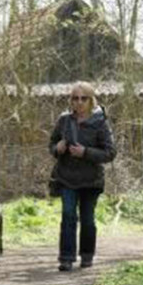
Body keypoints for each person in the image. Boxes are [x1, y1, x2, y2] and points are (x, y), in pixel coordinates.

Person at [48, 81, 116, 272]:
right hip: (66, 177)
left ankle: (87, 255)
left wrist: (85, 152)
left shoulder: (100, 122)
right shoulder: (64, 120)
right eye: (75, 98)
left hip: (91, 179)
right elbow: (52, 144)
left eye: (83, 98)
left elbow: (110, 153)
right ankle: (66, 258)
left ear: (91, 100)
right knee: (68, 215)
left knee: (87, 219)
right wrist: (57, 149)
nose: (79, 102)